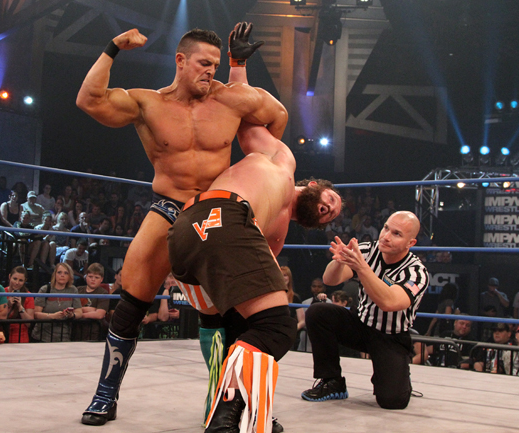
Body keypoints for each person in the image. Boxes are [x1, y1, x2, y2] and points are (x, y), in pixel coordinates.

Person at [78, 23, 287, 426]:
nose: (210, 71)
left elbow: (277, 117)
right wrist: (113, 46)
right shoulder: (148, 103)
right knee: (133, 298)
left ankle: (235, 403)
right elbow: (90, 100)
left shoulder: (228, 98)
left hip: (218, 211)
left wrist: (252, 156)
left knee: (237, 313)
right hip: (171, 206)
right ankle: (105, 394)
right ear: (180, 60)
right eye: (203, 63)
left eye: (215, 65)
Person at [167, 116, 340, 431]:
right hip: (226, 214)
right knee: (277, 328)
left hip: (184, 232)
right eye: (331, 200)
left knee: (242, 326)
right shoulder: (283, 160)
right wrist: (265, 98)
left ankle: (244, 407)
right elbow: (245, 120)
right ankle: (222, 418)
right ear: (316, 186)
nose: (328, 209)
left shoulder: (277, 231)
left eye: (331, 215)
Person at [301, 211, 429, 410]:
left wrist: (362, 268)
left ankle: (398, 375)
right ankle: (332, 381)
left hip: (390, 336)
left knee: (392, 401)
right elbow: (329, 280)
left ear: (410, 243)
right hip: (360, 324)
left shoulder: (416, 272)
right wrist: (339, 262)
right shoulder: (367, 250)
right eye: (386, 228)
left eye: (397, 234)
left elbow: (389, 302)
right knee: (318, 312)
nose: (386, 236)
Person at [32, 263, 82, 342]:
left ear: (69, 276)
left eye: (66, 273)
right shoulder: (45, 289)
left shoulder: (73, 290)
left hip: (64, 336)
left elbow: (79, 312)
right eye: (59, 272)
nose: (62, 275)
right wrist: (52, 316)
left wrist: (72, 315)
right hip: (42, 336)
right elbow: (36, 313)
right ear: (55, 274)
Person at [4, 266, 34, 343]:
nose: (17, 283)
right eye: (15, 279)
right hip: (2, 336)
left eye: (20, 280)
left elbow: (29, 324)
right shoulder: (2, 292)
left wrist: (20, 307)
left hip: (21, 338)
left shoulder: (28, 296)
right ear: (9, 277)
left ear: (25, 281)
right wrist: (8, 305)